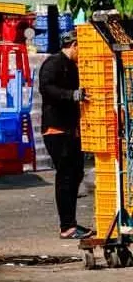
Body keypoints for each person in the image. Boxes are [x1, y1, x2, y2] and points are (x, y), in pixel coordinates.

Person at [39, 30, 94, 240]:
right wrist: (71, 95)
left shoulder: (73, 66)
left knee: (76, 173)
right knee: (66, 176)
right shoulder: (53, 63)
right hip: (56, 130)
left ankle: (71, 222)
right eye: (82, 49)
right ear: (74, 45)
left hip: (72, 130)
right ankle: (67, 226)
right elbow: (46, 88)